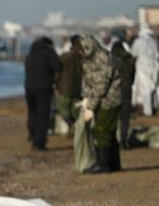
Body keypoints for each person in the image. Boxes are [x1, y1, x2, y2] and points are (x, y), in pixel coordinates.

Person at [78, 35, 123, 173]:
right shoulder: (88, 59)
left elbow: (100, 86)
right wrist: (85, 98)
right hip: (102, 101)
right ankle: (113, 164)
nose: (80, 53)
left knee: (101, 131)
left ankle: (103, 165)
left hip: (109, 101)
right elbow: (87, 81)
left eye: (81, 50)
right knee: (109, 131)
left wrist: (90, 107)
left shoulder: (102, 59)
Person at [24, 37, 61, 150]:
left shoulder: (30, 54)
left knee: (32, 112)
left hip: (29, 87)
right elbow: (58, 67)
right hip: (43, 88)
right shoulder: (49, 52)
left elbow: (26, 69)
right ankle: (39, 142)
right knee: (43, 114)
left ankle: (32, 135)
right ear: (49, 44)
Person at [111, 31, 136, 149]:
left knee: (113, 117)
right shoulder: (129, 58)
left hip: (114, 90)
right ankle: (123, 141)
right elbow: (132, 76)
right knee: (125, 118)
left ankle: (114, 141)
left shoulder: (111, 59)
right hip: (127, 89)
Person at [130, 17, 159, 117]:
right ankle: (155, 107)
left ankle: (148, 111)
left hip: (143, 66)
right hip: (155, 66)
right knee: (154, 87)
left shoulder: (139, 41)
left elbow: (133, 53)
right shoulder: (154, 41)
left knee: (146, 88)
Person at [56, 35, 83, 128]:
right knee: (75, 110)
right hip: (78, 88)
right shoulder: (83, 58)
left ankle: (71, 125)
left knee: (62, 107)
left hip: (65, 88)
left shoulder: (65, 56)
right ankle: (76, 127)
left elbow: (57, 72)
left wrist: (56, 84)